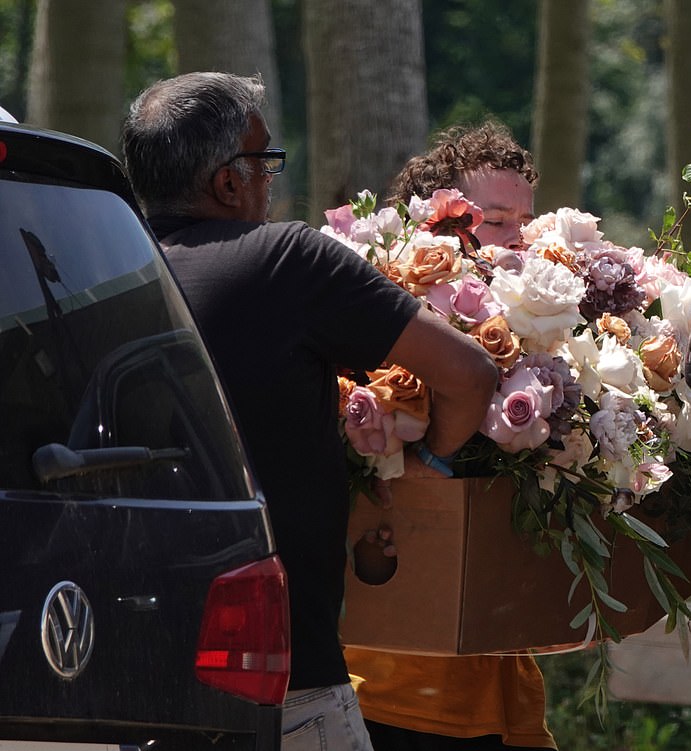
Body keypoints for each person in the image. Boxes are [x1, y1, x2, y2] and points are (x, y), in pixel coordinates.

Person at [120, 72, 498, 751]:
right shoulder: (286, 260)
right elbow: (469, 374)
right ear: (229, 183)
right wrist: (429, 461)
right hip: (283, 687)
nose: (272, 183)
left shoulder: (102, 279)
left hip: (121, 681)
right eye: (265, 162)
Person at [343, 120, 557, 750]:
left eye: (524, 220)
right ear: (432, 227)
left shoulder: (552, 335)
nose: (517, 239)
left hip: (488, 679)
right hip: (387, 683)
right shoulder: (373, 326)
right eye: (494, 220)